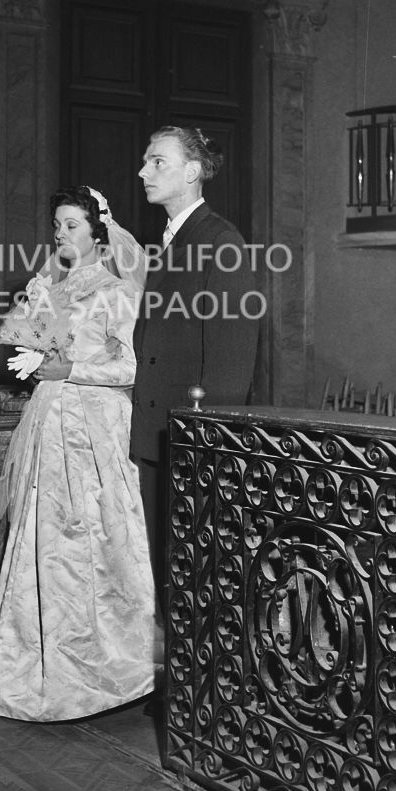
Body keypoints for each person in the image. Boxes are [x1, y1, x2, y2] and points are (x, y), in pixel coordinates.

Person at [0, 185, 157, 721]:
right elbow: (24, 345)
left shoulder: (116, 291)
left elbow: (131, 368)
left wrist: (71, 369)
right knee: (42, 543)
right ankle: (34, 675)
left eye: (72, 225)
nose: (61, 234)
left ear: (99, 233)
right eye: (57, 226)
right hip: (47, 423)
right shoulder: (47, 285)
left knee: (94, 543)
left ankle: (109, 672)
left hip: (94, 431)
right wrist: (33, 344)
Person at [131, 126, 260, 593]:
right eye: (146, 161)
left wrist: (205, 447)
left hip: (191, 447)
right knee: (167, 583)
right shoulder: (169, 240)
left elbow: (231, 362)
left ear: (191, 172)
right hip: (157, 439)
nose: (144, 171)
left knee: (193, 586)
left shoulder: (221, 242)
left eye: (157, 161)